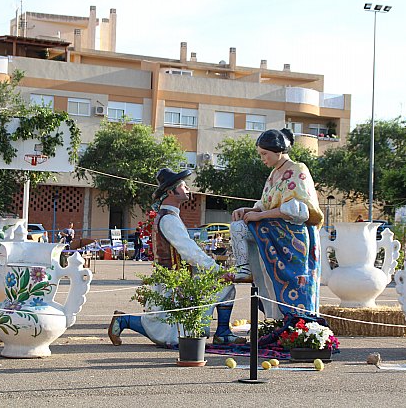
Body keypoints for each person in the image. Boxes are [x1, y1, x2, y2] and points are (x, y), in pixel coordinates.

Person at [108, 168, 245, 347]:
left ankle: (223, 332)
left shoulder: (169, 216)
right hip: (174, 280)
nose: (188, 188)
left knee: (163, 325)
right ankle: (223, 333)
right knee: (169, 331)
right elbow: (189, 251)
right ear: (171, 192)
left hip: (173, 277)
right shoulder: (169, 219)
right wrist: (216, 270)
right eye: (183, 185)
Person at [230, 128, 324, 319]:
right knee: (265, 275)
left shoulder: (298, 169)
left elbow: (296, 210)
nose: (263, 158)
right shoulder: (274, 174)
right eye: (261, 154)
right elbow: (265, 204)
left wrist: (260, 216)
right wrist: (249, 211)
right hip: (272, 231)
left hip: (292, 235)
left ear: (278, 150)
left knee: (288, 283)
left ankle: (293, 323)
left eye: (265, 153)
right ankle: (271, 318)